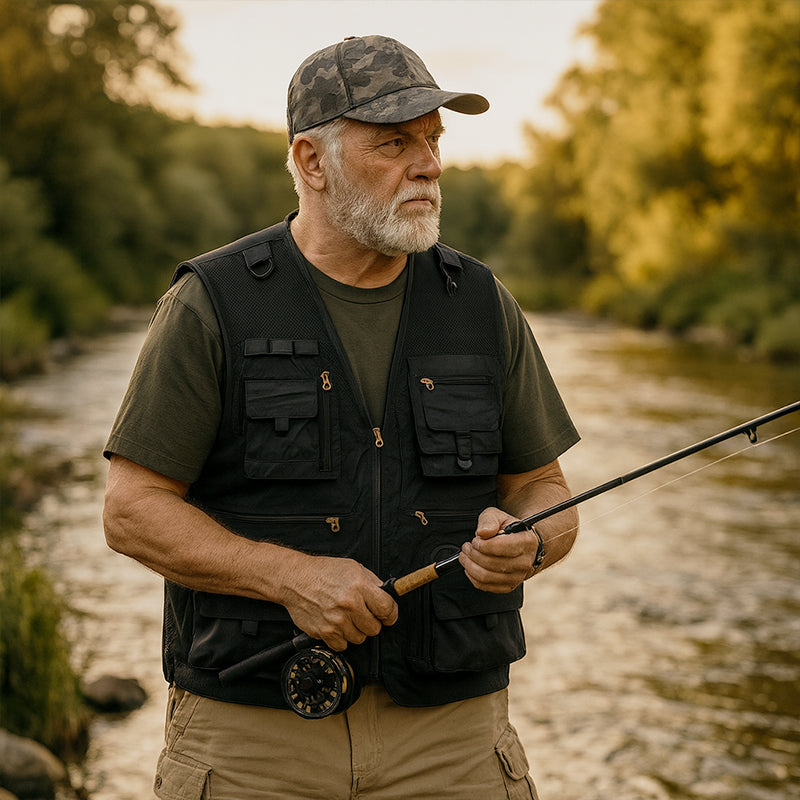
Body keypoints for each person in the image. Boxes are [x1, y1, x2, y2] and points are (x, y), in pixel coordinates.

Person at [103, 34, 580, 800]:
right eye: (394, 142)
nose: (426, 164)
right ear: (311, 162)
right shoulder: (211, 304)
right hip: (251, 740)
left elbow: (547, 489)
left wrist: (529, 540)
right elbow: (131, 512)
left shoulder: (483, 304)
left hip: (454, 740)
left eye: (432, 140)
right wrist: (289, 577)